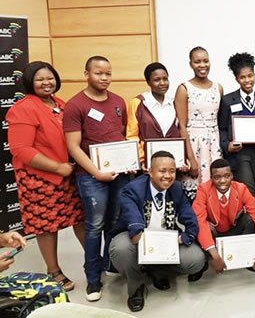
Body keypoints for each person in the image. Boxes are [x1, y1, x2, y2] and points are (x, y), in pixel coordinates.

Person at [6, 61, 84, 290]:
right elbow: (20, 149)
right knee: (46, 226)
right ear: (30, 82)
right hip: (40, 178)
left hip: (68, 174)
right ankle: (54, 271)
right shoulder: (22, 108)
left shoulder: (61, 103)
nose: (46, 83)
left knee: (80, 218)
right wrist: (57, 168)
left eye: (50, 78)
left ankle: (94, 260)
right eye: (40, 79)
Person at [64, 56, 131, 301]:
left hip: (119, 174)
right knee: (94, 226)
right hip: (92, 177)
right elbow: (73, 147)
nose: (104, 78)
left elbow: (121, 136)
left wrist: (130, 160)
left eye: (108, 73)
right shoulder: (75, 105)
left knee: (115, 222)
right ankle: (93, 278)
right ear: (86, 74)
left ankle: (111, 264)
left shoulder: (118, 101)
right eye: (98, 73)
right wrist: (96, 172)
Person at [109, 151, 206, 312]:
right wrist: (152, 243)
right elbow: (135, 230)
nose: (167, 176)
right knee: (120, 248)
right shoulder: (133, 189)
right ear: (150, 171)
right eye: (162, 171)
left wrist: (180, 239)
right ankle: (136, 287)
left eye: (172, 171)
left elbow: (191, 222)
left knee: (196, 259)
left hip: (166, 240)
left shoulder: (177, 189)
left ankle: (157, 271)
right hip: (136, 240)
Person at [192, 159, 255, 275]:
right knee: (205, 227)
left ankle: (246, 257)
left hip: (233, 230)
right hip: (214, 233)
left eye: (226, 176)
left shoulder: (241, 188)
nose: (222, 181)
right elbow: (200, 221)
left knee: (250, 220)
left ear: (232, 176)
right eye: (217, 177)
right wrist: (215, 256)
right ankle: (205, 261)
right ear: (211, 178)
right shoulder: (203, 190)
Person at [219, 52, 255, 196]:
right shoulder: (227, 100)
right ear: (237, 79)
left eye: (250, 76)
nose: (247, 80)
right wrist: (226, 145)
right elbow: (222, 127)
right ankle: (252, 218)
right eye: (242, 77)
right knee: (248, 192)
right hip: (240, 154)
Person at [174, 47, 223, 200]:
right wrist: (191, 158)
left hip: (214, 143)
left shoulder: (218, 87)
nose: (202, 65)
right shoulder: (184, 88)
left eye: (206, 61)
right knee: (193, 194)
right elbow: (181, 125)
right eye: (197, 62)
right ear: (191, 64)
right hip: (194, 144)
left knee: (216, 188)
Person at [126, 62, 180, 167]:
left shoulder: (174, 103)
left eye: (165, 79)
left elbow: (179, 132)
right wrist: (142, 160)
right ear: (148, 82)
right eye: (157, 80)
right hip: (147, 164)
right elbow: (132, 136)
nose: (162, 83)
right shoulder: (138, 103)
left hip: (172, 162)